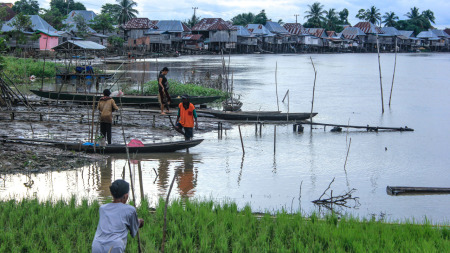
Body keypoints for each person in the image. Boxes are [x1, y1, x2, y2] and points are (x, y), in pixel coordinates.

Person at [92, 179, 144, 253]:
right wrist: (139, 222)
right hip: (114, 247)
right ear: (125, 196)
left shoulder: (102, 209)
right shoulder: (130, 210)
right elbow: (133, 231)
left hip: (97, 246)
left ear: (112, 194)